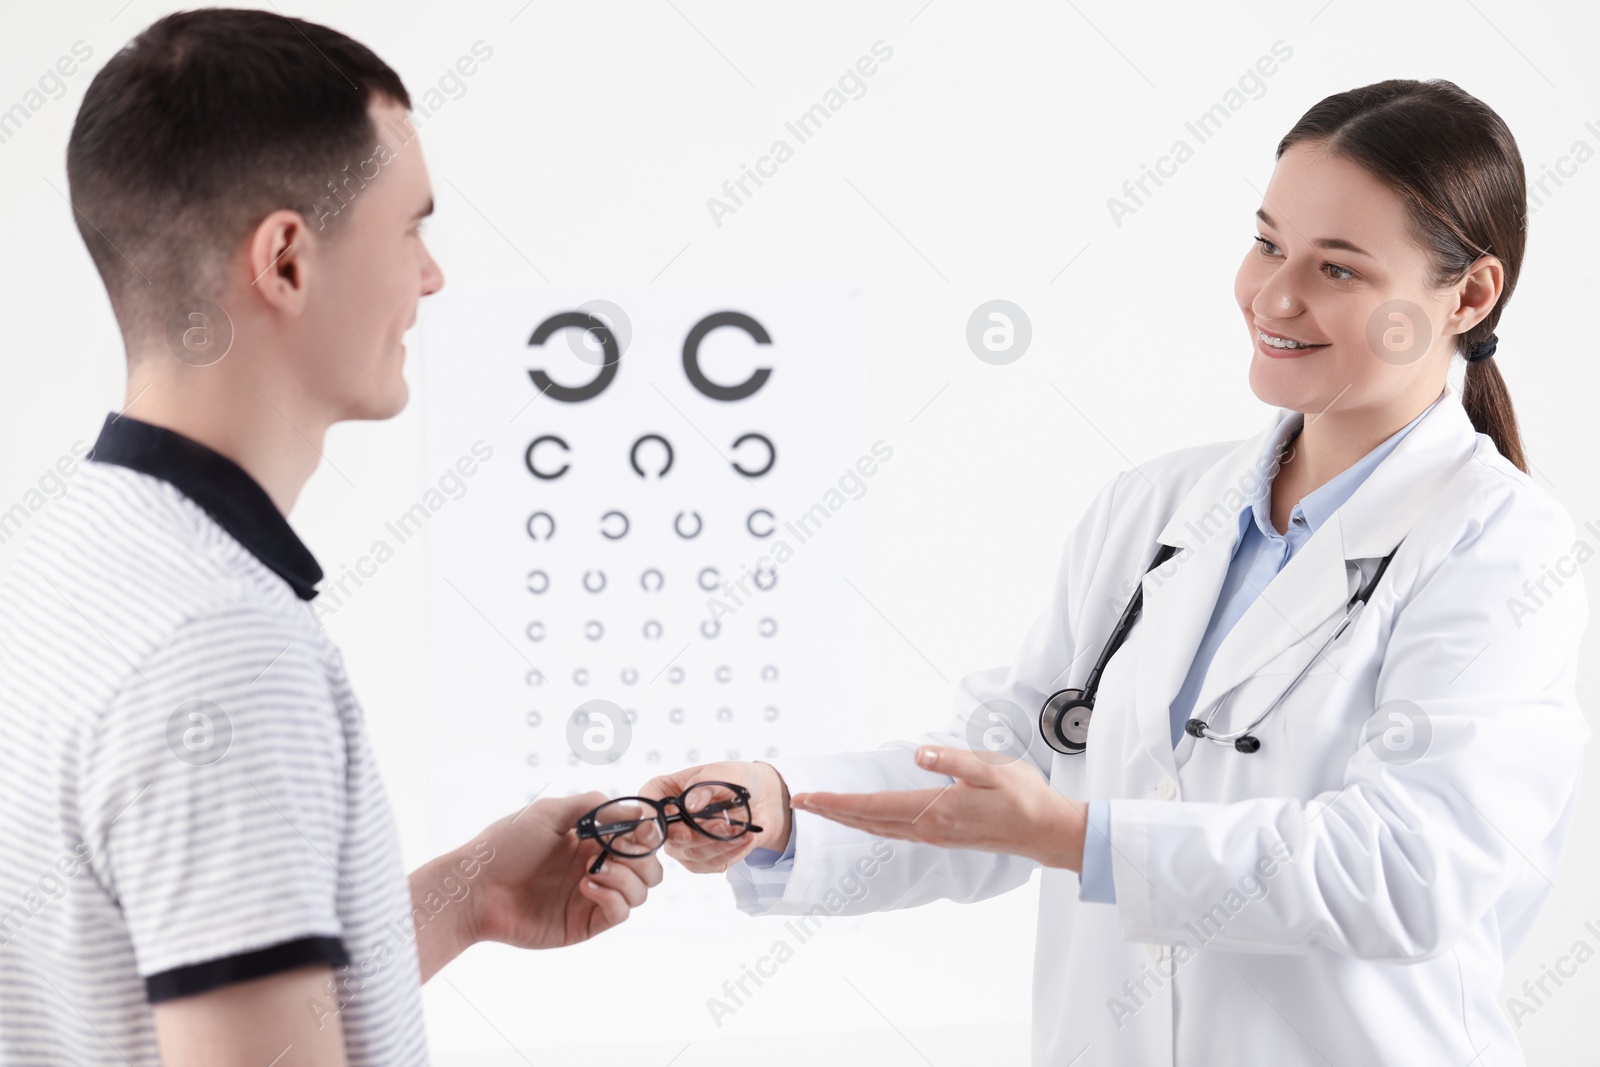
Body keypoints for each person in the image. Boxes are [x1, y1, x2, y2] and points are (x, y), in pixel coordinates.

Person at [642, 79, 1589, 1066]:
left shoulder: (1497, 543)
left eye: (1337, 269)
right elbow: (1009, 752)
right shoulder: (1157, 509)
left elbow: (1408, 872)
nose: (1272, 296)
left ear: (1470, 295)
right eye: (1266, 244)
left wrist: (1077, 837)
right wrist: (783, 802)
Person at [0, 10, 659, 1066]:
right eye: (411, 229)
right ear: (288, 261)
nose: (431, 278)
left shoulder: (58, 571)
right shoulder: (221, 645)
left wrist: (469, 892)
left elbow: (177, 980)